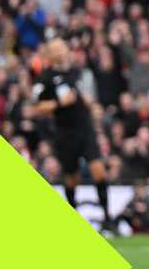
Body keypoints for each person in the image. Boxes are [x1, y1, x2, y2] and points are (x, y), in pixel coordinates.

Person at [30, 39, 114, 232]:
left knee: (99, 170)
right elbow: (37, 107)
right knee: (72, 178)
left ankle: (108, 219)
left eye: (63, 48)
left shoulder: (78, 72)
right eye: (56, 49)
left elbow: (89, 97)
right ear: (50, 55)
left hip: (86, 129)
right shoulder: (45, 78)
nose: (61, 52)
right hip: (65, 133)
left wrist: (91, 105)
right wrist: (60, 103)